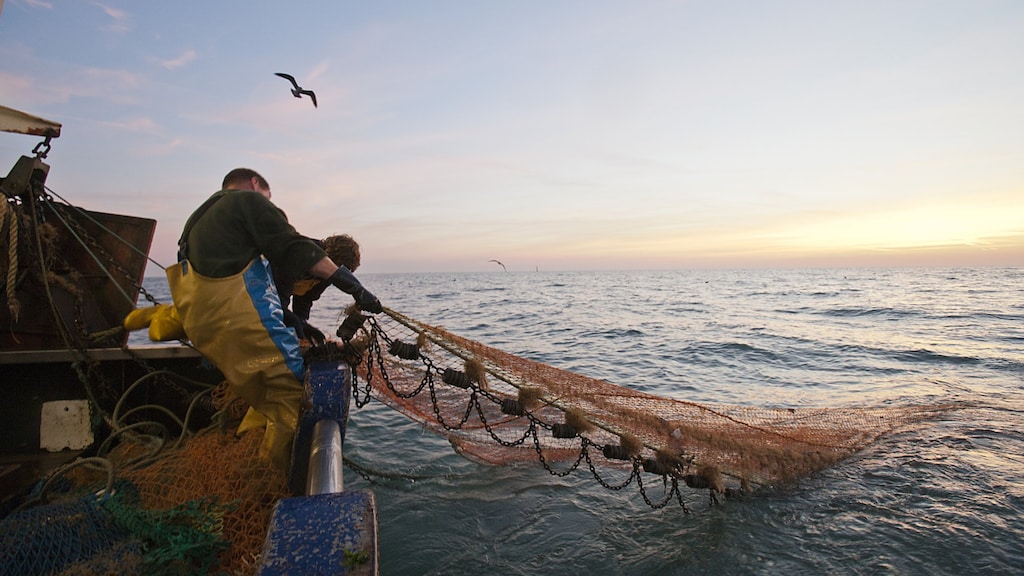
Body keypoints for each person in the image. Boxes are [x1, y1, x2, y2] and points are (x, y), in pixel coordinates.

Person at [167, 168, 382, 470]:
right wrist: (352, 286)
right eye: (268, 198)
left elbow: (301, 306)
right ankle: (268, 476)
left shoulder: (199, 218)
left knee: (264, 391)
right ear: (255, 184)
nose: (269, 204)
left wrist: (302, 326)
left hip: (202, 323)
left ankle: (249, 438)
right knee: (293, 397)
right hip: (241, 319)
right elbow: (286, 266)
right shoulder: (248, 201)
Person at [274, 233, 362, 346]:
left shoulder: (329, 274)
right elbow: (278, 301)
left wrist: (302, 323)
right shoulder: (300, 253)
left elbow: (305, 299)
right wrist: (295, 322)